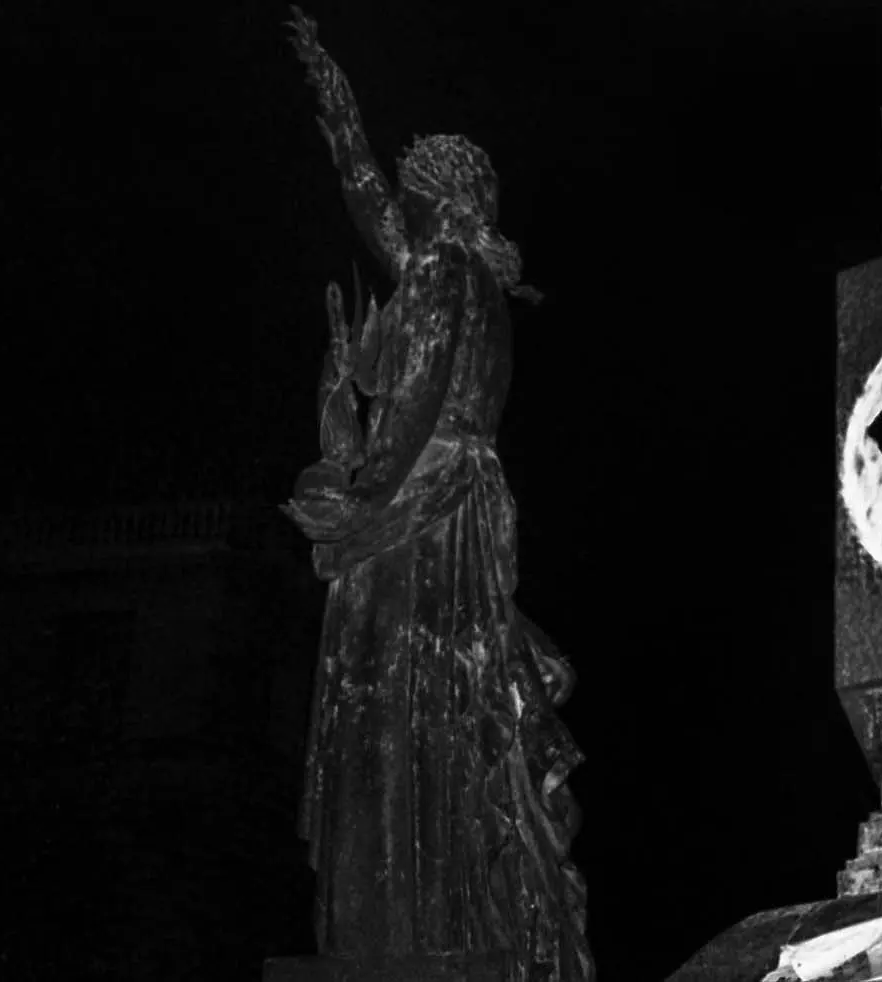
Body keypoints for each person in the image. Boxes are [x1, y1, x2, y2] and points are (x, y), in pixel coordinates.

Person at [280, 9, 590, 979]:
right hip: (461, 504)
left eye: (412, 203)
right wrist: (339, 107)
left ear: (442, 206)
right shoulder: (467, 278)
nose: (398, 219)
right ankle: (435, 911)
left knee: (401, 707)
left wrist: (359, 500)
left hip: (425, 512)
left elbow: (414, 402)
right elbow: (364, 198)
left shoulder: (443, 273)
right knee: (434, 712)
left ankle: (408, 923)